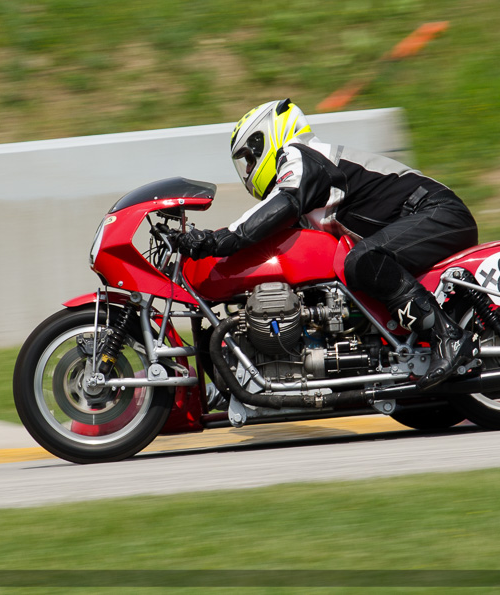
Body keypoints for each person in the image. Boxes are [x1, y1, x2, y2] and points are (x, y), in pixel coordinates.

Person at [175, 98, 480, 390]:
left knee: (364, 259)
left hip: (437, 212)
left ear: (268, 135)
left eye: (252, 156)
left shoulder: (300, 155)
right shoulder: (308, 184)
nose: (251, 167)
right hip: (422, 219)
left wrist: (217, 240)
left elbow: (281, 205)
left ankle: (448, 337)